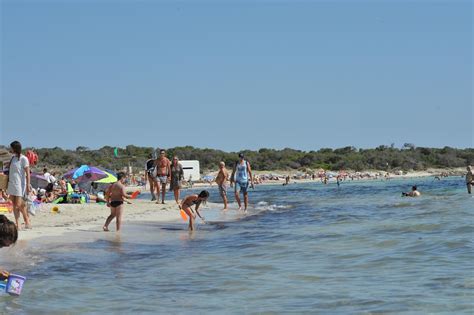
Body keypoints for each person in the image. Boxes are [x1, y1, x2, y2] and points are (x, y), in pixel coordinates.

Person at [6, 141, 32, 230]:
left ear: (15, 148)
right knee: (14, 204)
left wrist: (28, 185)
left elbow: (28, 173)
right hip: (12, 183)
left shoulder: (24, 159)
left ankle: (27, 220)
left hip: (20, 184)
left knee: (19, 204)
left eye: (11, 148)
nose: (10, 149)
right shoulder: (12, 158)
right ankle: (18, 224)